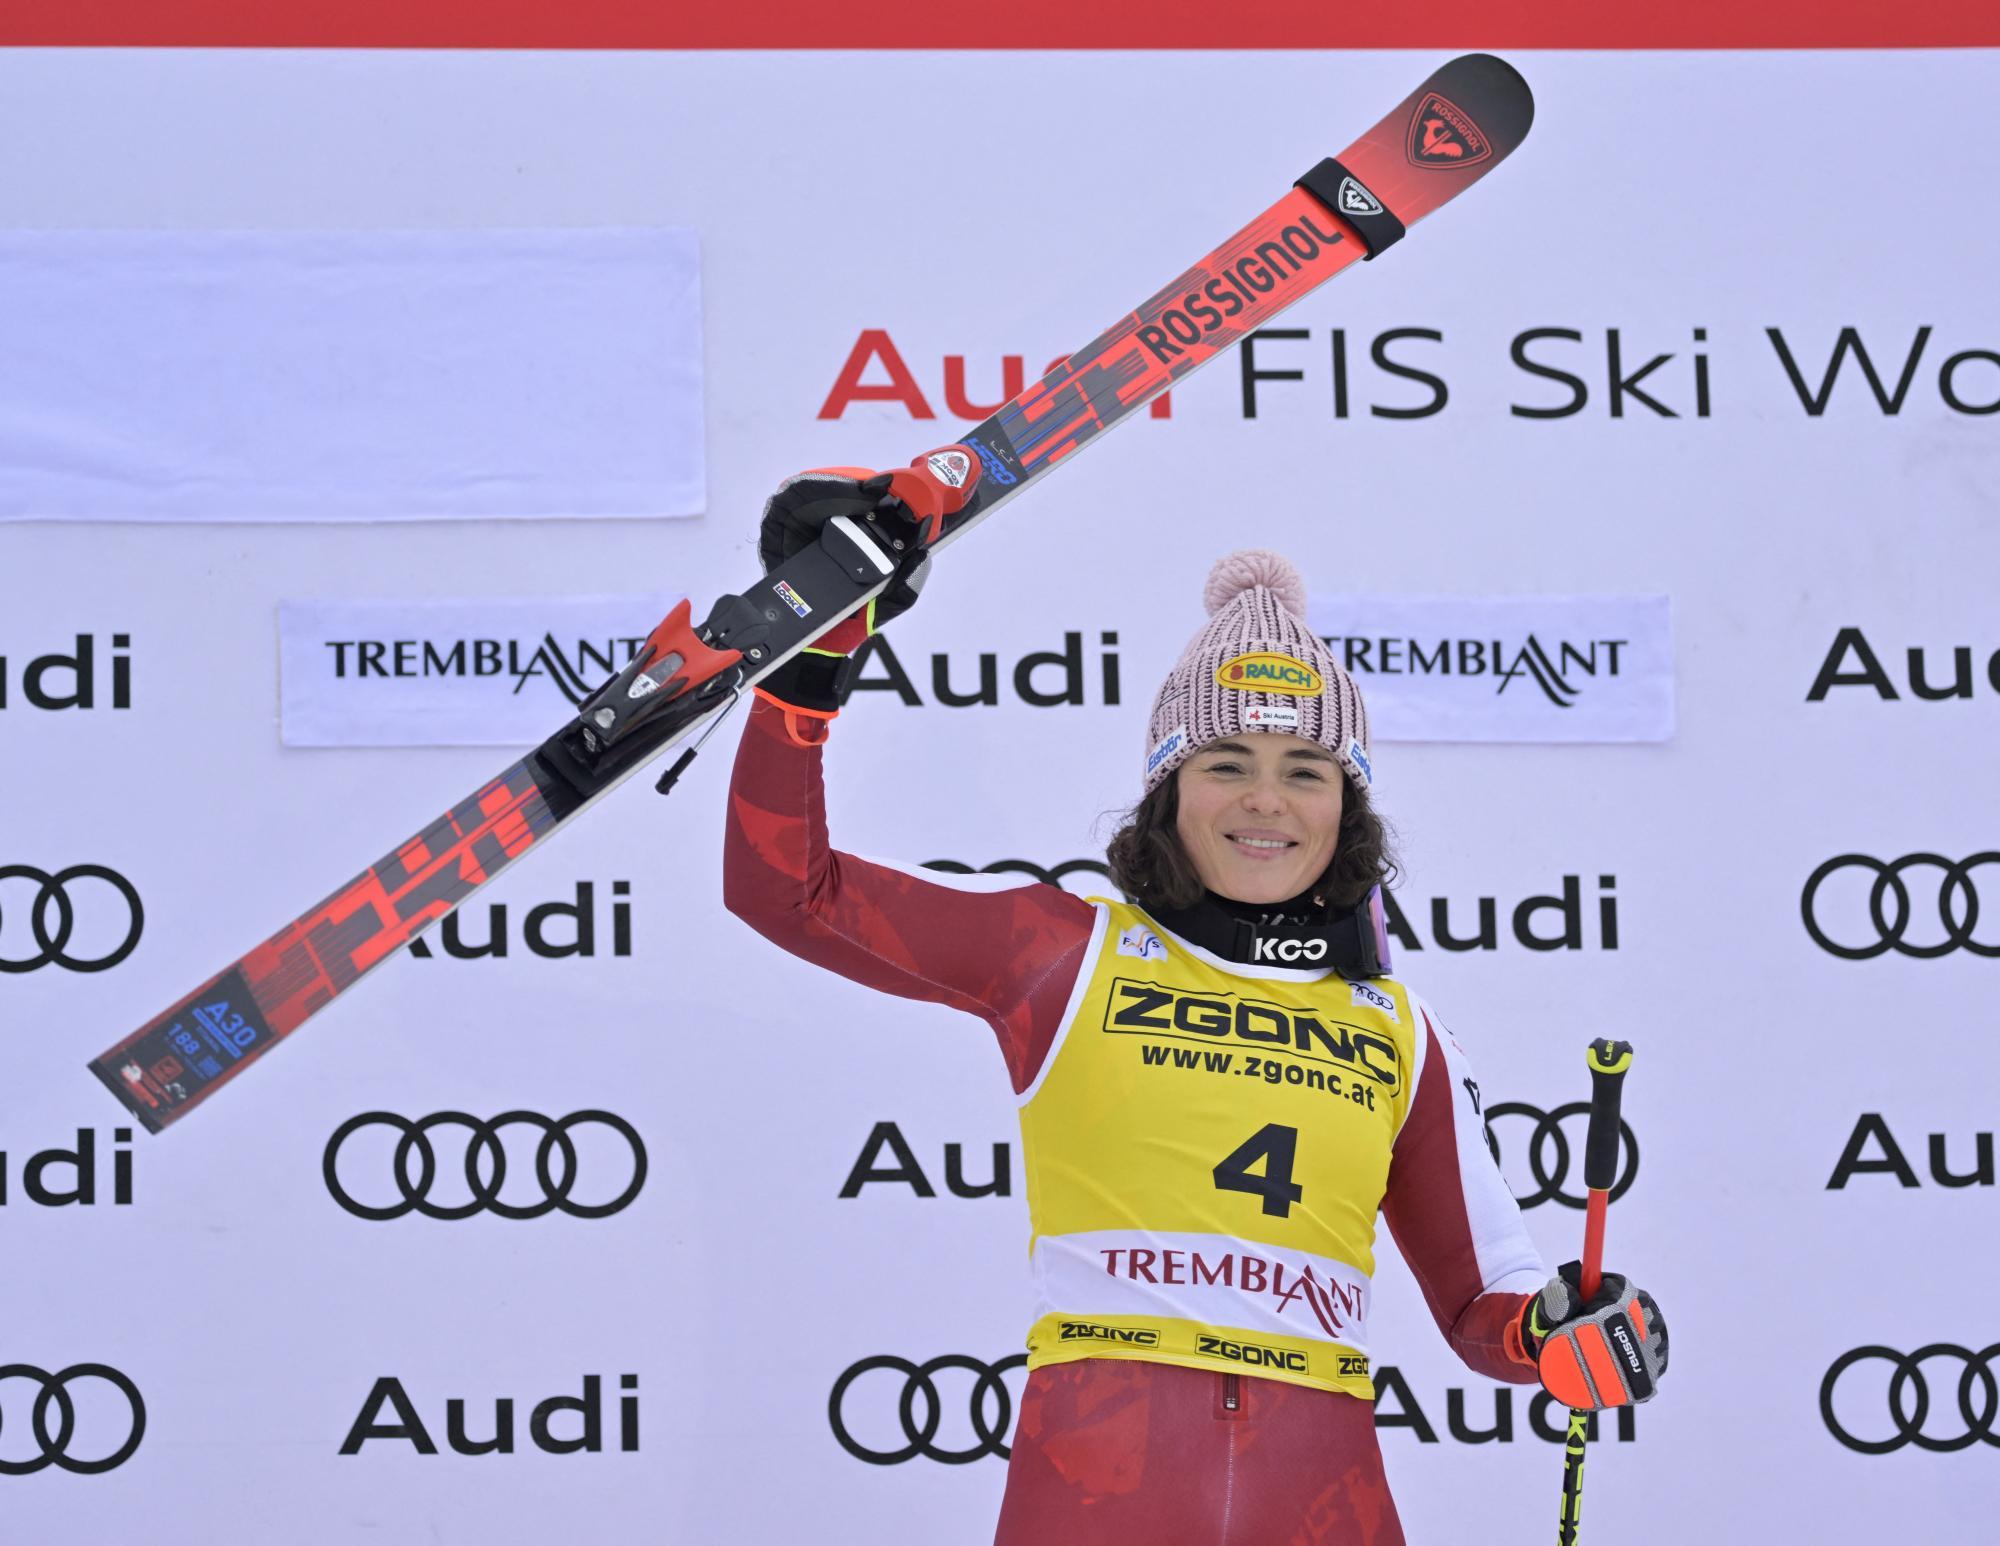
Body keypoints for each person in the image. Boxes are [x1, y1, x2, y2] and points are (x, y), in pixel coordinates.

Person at [724, 469, 1669, 1545]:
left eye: (1305, 769)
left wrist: (1563, 1331)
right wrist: (809, 667)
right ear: (1166, 791)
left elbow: (1482, 1305)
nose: (1265, 799)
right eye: (1226, 761)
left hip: (1322, 1498)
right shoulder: (1061, 950)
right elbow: (786, 890)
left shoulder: (1398, 1030)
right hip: (1097, 1486)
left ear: (1344, 804)